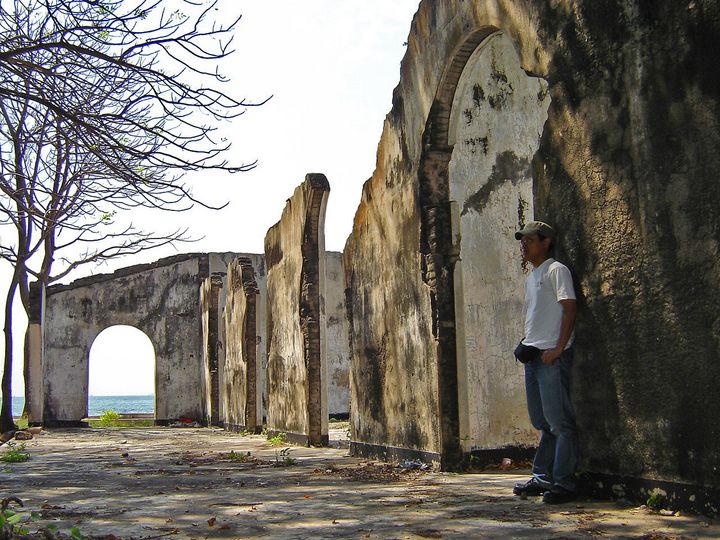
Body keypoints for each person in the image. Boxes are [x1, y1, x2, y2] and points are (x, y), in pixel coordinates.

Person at [512, 221, 579, 504]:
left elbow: (569, 308)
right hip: (534, 357)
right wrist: (526, 344)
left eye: (529, 240)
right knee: (542, 421)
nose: (524, 245)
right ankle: (542, 478)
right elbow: (537, 317)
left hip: (551, 357)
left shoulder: (556, 270)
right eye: (522, 241)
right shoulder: (532, 277)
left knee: (560, 423)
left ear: (546, 241)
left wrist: (558, 348)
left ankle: (563, 483)